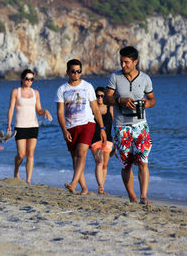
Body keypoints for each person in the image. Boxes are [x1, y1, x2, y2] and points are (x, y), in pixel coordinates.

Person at [104, 46, 156, 205]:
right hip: (121, 127)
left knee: (143, 161)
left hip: (141, 126)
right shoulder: (115, 77)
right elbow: (107, 99)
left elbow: (153, 100)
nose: (123, 65)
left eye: (126, 62)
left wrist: (145, 104)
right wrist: (120, 100)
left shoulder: (145, 79)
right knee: (126, 164)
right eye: (121, 62)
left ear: (135, 61)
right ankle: (132, 197)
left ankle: (144, 197)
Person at [55, 59, 107, 195]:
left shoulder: (87, 86)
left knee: (81, 153)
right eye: (73, 71)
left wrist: (102, 128)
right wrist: (64, 130)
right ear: (67, 72)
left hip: (87, 124)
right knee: (74, 158)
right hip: (70, 126)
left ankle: (73, 183)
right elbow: (60, 112)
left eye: (79, 71)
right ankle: (84, 188)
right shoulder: (62, 89)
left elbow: (95, 108)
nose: (76, 74)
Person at [7, 69, 53, 185]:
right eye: (27, 79)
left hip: (33, 126)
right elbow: (11, 109)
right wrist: (8, 124)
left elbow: (39, 110)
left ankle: (28, 180)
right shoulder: (16, 92)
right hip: (20, 126)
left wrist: (45, 112)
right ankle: (16, 169)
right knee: (21, 154)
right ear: (22, 79)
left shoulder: (35, 93)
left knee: (31, 153)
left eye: (31, 79)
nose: (29, 81)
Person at [90, 86, 113, 195]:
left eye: (102, 96)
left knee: (105, 165)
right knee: (99, 162)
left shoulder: (109, 108)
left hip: (108, 138)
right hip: (94, 138)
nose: (99, 98)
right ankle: (100, 187)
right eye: (97, 96)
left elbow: (115, 122)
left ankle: (102, 187)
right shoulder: (91, 108)